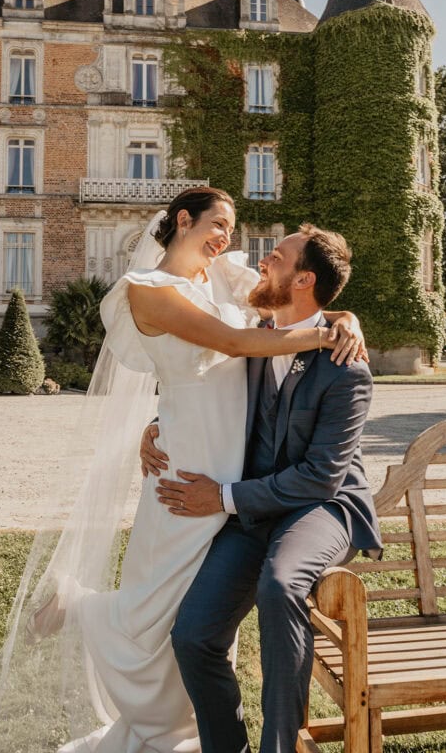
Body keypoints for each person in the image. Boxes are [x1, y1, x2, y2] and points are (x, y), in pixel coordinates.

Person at [0, 186, 365, 753]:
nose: (229, 237)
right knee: (161, 609)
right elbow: (230, 342)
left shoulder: (225, 279)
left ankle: (216, 733)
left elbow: (293, 298)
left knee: (188, 612)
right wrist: (325, 334)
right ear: (182, 219)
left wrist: (346, 319)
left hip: (232, 476)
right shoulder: (144, 290)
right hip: (190, 464)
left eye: (233, 226)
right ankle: (83, 610)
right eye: (218, 223)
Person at [140, 223, 382, 753]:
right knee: (195, 635)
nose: (261, 262)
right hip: (254, 508)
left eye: (273, 256)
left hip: (324, 507)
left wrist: (223, 498)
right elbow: (200, 395)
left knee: (280, 584)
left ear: (304, 280)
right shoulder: (248, 340)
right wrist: (156, 426)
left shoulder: (346, 368)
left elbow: (322, 475)